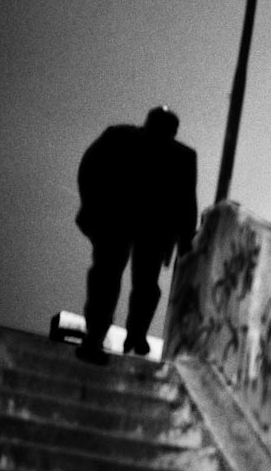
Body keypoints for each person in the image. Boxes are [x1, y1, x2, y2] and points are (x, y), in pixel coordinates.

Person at [75, 106, 197, 364]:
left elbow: (187, 201)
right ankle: (99, 335)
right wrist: (91, 206)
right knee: (111, 279)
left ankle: (130, 334)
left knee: (136, 283)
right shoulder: (120, 137)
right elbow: (89, 170)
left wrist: (185, 239)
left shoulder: (182, 156)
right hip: (116, 221)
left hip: (151, 229)